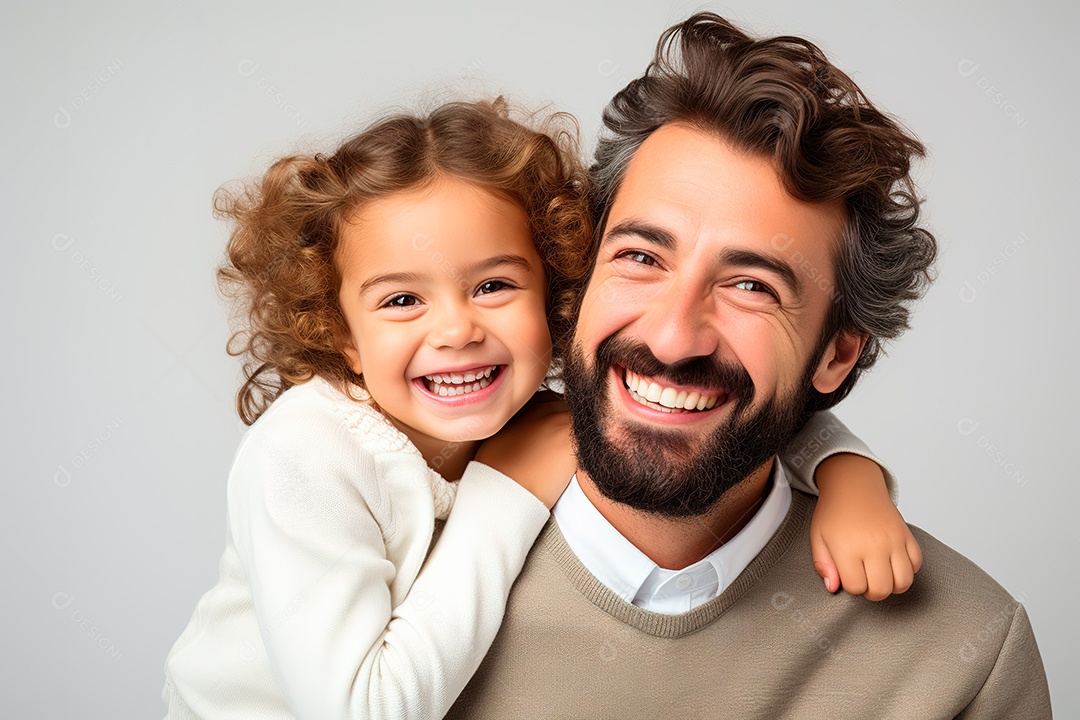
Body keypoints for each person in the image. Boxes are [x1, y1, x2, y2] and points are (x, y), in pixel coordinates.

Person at [161, 99, 913, 719]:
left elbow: (732, 402)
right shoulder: (302, 456)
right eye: (400, 300)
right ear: (339, 335)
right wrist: (509, 491)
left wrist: (850, 476)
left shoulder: (518, 404)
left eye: (493, 286)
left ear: (559, 292)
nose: (455, 330)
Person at [446, 14, 1052, 719]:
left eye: (752, 286)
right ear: (580, 281)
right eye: (641, 257)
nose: (674, 339)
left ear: (837, 353)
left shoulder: (965, 653)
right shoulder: (381, 590)